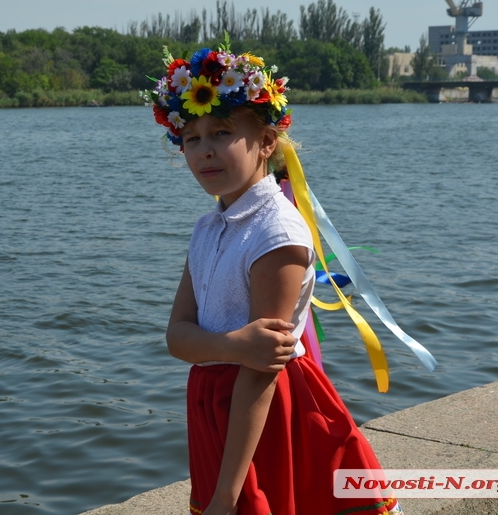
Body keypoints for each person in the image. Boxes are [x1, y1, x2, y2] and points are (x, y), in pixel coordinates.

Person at [148, 40, 404, 515]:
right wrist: (231, 346)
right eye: (192, 138)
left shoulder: (276, 231)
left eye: (222, 132)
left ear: (267, 143)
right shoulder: (208, 227)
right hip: (214, 400)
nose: (205, 151)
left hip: (265, 410)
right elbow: (177, 337)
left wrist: (227, 492)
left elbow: (262, 365)